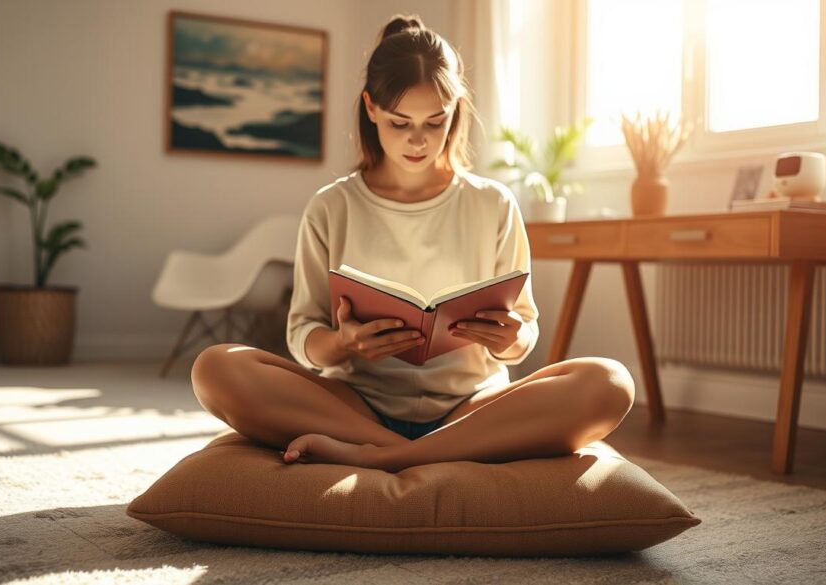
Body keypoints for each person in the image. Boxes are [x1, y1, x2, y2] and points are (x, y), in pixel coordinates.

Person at [190, 14, 635, 474]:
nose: (418, 140)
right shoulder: (332, 206)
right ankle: (401, 448)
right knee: (215, 368)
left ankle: (388, 457)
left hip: (469, 406)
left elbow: (523, 331)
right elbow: (303, 335)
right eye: (400, 122)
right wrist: (344, 344)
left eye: (435, 122)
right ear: (371, 108)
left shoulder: (492, 203)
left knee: (609, 382)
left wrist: (509, 338)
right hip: (355, 407)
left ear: (455, 112)